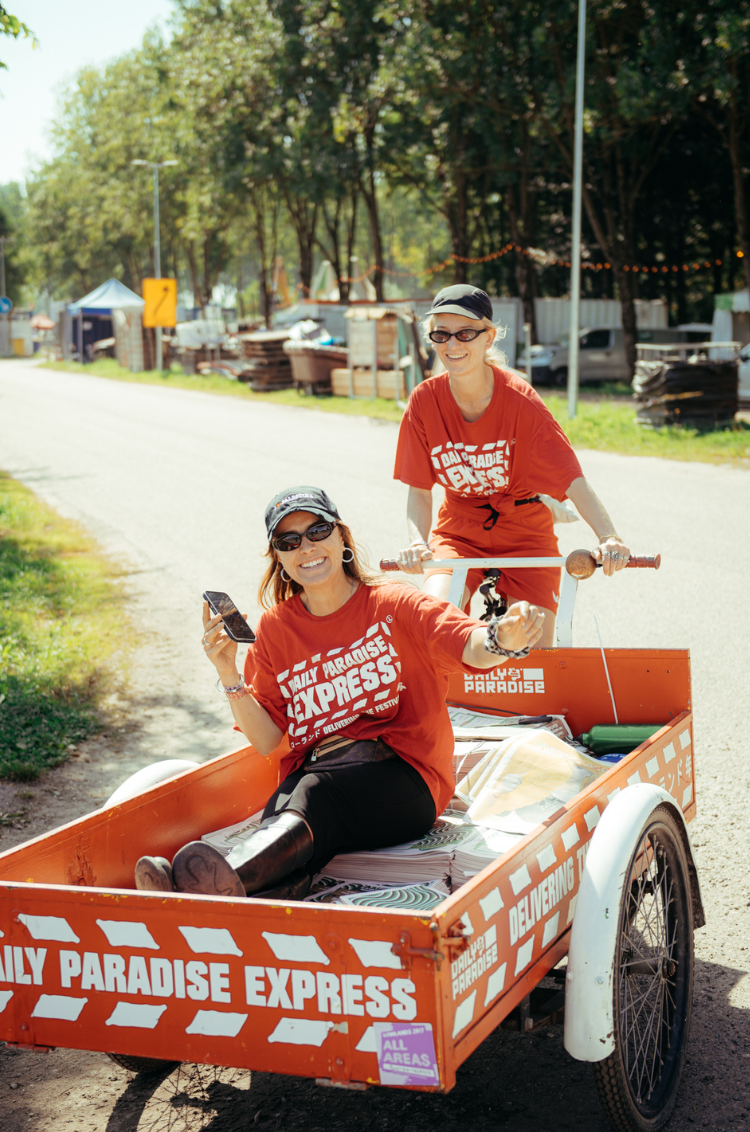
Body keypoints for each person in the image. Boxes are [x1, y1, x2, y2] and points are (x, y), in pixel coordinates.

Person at [134, 485, 543, 900]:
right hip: (314, 776)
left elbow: (468, 644)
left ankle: (200, 887)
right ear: (278, 558)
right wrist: (228, 674)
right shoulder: (275, 629)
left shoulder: (394, 603)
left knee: (315, 798)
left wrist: (501, 638)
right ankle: (205, 892)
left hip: (405, 777)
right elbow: (267, 740)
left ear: (341, 537)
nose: (306, 547)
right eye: (289, 541)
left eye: (317, 531)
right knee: (289, 819)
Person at [394, 284, 631, 647]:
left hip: (524, 530)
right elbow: (419, 490)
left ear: (488, 337)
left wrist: (608, 537)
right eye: (441, 334)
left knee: (532, 647)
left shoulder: (522, 401)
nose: (452, 344)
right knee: (434, 624)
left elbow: (571, 480)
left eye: (465, 333)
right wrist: (417, 542)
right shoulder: (424, 401)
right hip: (459, 529)